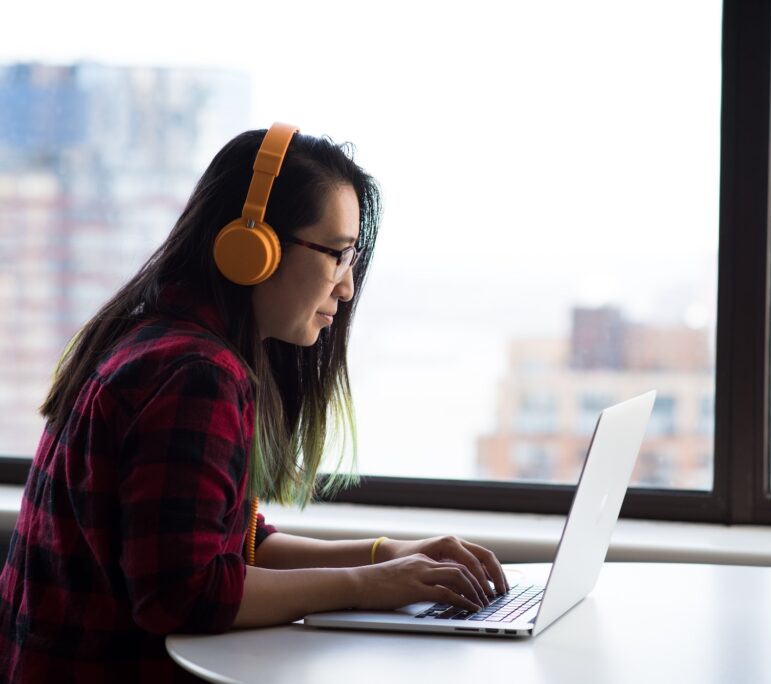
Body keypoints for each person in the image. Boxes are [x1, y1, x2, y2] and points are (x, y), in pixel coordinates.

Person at [0, 123, 509, 682]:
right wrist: (370, 587)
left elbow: (238, 543)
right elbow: (183, 593)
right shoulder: (195, 375)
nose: (346, 287)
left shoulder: (158, 339)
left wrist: (385, 555)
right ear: (253, 246)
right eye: (337, 255)